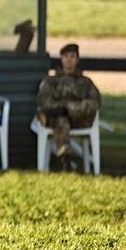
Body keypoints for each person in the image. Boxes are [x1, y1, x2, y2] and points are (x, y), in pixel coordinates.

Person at [36, 43, 101, 172]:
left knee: (64, 113)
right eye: (66, 56)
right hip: (58, 120)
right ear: (61, 59)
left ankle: (62, 112)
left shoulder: (85, 82)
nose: (69, 59)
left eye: (72, 56)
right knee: (61, 120)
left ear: (77, 59)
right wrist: (60, 109)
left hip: (79, 119)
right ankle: (65, 161)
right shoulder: (52, 81)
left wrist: (69, 109)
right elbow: (44, 99)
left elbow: (95, 102)